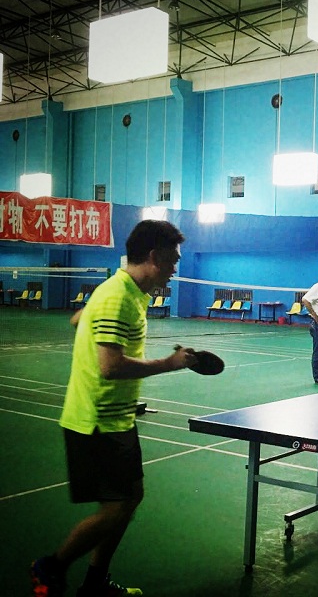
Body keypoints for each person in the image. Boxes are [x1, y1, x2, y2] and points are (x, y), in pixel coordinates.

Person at [31, 220, 198, 597]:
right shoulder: (118, 297)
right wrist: (168, 364)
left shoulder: (128, 292)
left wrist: (91, 319)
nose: (176, 267)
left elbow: (79, 319)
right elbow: (110, 367)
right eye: (173, 259)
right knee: (117, 507)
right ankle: (51, 567)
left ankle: (95, 583)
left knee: (130, 498)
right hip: (96, 421)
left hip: (117, 417)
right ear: (154, 257)